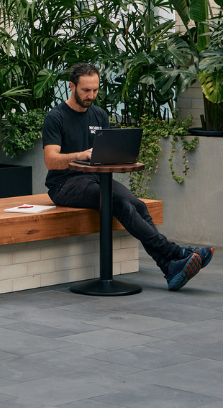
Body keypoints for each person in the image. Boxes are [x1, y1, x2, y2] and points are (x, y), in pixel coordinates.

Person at [43, 62, 214, 291]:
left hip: (96, 179)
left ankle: (169, 267)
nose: (91, 95)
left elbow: (107, 151)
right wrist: (81, 155)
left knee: (138, 205)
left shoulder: (99, 115)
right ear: (72, 86)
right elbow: (51, 160)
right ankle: (175, 253)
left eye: (95, 90)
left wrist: (123, 155)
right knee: (119, 203)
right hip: (64, 184)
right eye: (85, 90)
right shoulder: (56, 117)